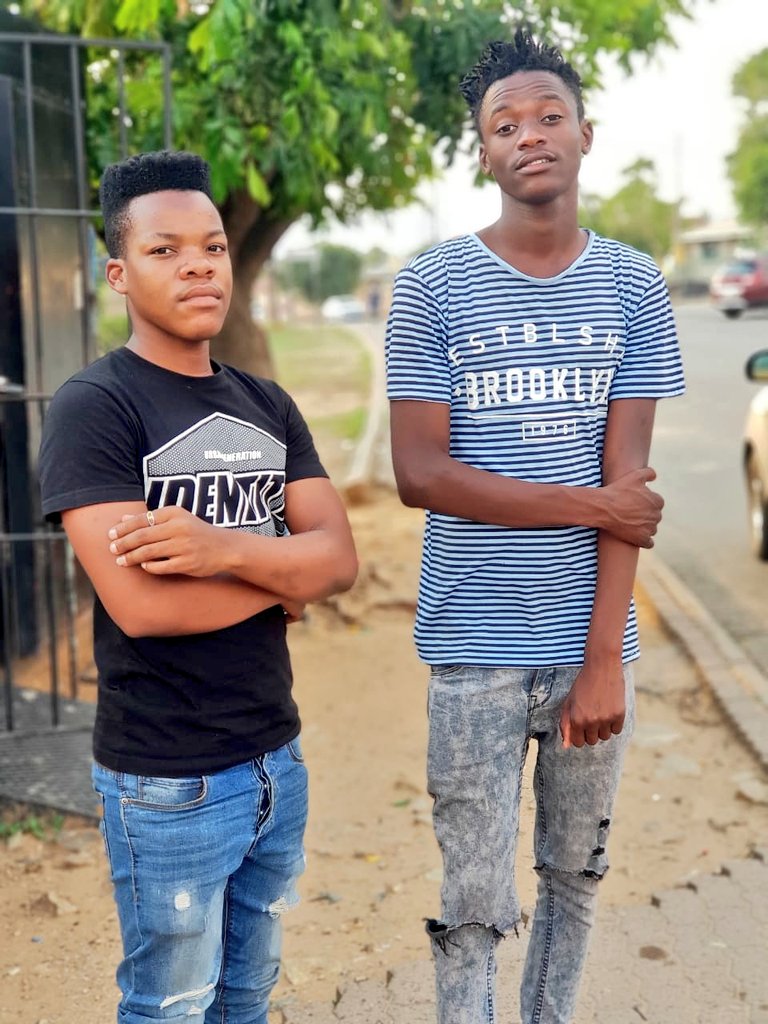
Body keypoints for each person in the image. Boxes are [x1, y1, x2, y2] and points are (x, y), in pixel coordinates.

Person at [385, 30, 685, 1024]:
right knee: (472, 897)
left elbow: (630, 480)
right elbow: (421, 474)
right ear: (484, 154)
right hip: (472, 645)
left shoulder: (633, 284)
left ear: (585, 134)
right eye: (504, 125)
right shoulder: (431, 285)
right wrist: (594, 504)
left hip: (589, 644)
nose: (530, 135)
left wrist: (603, 661)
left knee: (574, 875)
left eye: (549, 115)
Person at [38, 150, 357, 1024]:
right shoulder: (95, 407)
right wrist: (282, 575)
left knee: (246, 997)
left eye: (213, 248)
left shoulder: (267, 403)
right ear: (119, 273)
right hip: (166, 778)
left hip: (275, 758)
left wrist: (222, 550)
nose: (199, 267)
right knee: (170, 1005)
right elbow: (143, 607)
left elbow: (340, 560)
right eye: (165, 250)